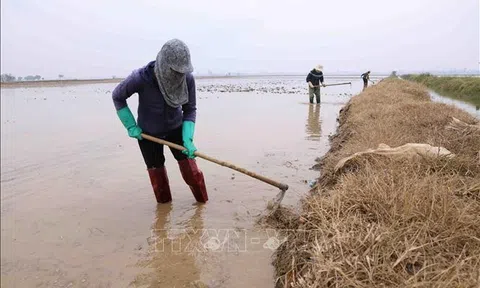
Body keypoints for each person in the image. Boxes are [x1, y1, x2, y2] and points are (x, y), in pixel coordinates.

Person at [112, 39, 208, 204]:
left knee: (191, 172)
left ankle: (203, 204)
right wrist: (130, 126)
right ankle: (164, 209)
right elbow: (118, 96)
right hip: (148, 133)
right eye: (176, 72)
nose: (180, 76)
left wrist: (188, 138)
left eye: (182, 72)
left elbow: (190, 109)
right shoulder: (141, 78)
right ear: (164, 65)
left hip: (176, 129)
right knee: (158, 180)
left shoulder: (188, 80)